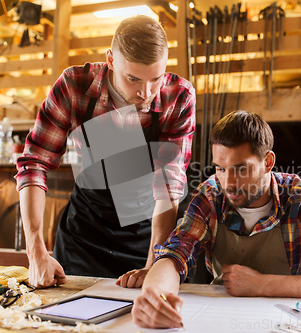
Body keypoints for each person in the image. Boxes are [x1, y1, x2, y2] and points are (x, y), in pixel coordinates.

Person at [131, 111, 301, 329]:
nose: (228, 183)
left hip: (292, 322)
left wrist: (263, 285)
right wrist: (155, 298)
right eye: (220, 168)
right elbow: (174, 256)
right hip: (222, 319)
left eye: (241, 169)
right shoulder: (210, 195)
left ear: (268, 162)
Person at [15, 15, 196, 288]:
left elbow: (169, 184)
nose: (145, 92)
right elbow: (34, 163)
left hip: (146, 238)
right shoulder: (74, 87)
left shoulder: (178, 97)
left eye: (155, 79)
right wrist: (35, 251)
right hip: (83, 240)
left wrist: (155, 263)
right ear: (111, 60)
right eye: (133, 78)